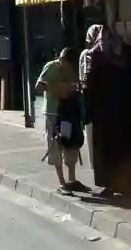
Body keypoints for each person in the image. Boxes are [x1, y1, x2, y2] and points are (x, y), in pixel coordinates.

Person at [82, 24, 131, 196]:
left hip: (104, 109)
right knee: (128, 144)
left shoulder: (96, 54)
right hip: (126, 107)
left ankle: (109, 184)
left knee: (106, 148)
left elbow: (90, 82)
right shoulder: (125, 51)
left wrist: (87, 109)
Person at [36, 46, 85, 193]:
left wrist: (73, 90)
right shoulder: (51, 67)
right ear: (61, 59)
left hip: (68, 112)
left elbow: (76, 85)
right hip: (53, 112)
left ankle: (72, 179)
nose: (68, 67)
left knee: (71, 143)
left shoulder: (71, 71)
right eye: (66, 63)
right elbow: (39, 85)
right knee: (55, 145)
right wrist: (58, 90)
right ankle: (62, 183)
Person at [79, 25, 102, 168]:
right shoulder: (88, 54)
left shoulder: (100, 53)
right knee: (92, 132)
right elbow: (84, 80)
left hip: (95, 99)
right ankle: (95, 164)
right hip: (91, 99)